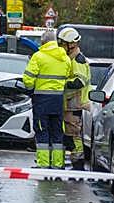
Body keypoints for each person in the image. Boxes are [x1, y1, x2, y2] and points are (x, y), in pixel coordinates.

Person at [22, 29, 76, 168]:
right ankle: (58, 164)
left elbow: (28, 79)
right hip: (58, 101)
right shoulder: (65, 58)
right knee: (57, 132)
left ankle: (44, 164)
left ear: (43, 42)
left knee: (42, 131)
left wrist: (31, 88)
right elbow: (68, 76)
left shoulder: (38, 56)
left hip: (41, 101)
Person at [57, 27, 91, 170]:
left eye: (63, 43)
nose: (60, 46)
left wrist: (60, 83)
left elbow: (79, 82)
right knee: (68, 135)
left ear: (71, 44)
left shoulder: (78, 60)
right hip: (70, 105)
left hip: (76, 105)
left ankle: (78, 165)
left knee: (74, 136)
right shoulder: (70, 58)